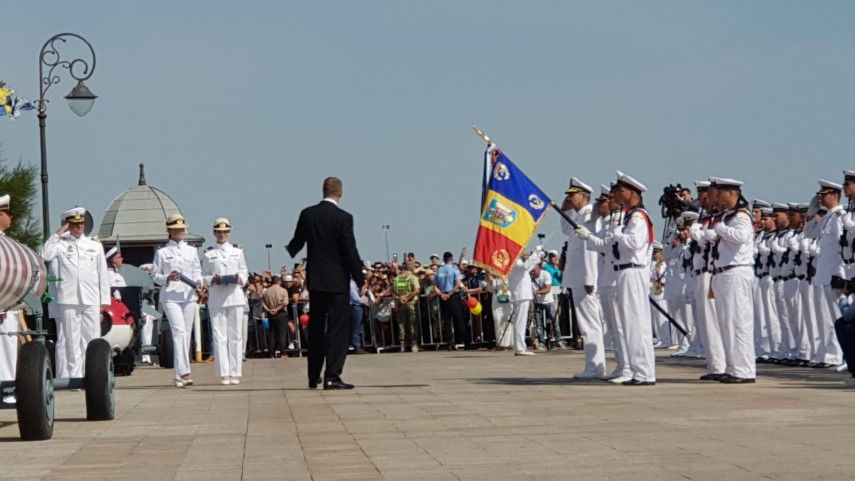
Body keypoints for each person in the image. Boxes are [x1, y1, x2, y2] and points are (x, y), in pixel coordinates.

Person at [287, 177, 365, 390]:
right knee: (338, 330)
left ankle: (313, 376)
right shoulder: (344, 218)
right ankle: (332, 375)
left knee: (316, 328)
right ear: (341, 193)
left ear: (323, 191)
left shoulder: (308, 214)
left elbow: (298, 240)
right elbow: (350, 250)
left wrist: (291, 249)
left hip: (317, 280)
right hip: (338, 281)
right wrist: (360, 279)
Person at [577, 171, 655, 386]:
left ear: (632, 193)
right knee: (626, 325)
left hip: (632, 271)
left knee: (635, 324)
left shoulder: (638, 216)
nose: (615, 195)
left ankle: (643, 372)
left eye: (619, 191)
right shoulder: (628, 217)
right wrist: (589, 236)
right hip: (622, 271)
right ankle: (634, 370)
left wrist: (617, 232)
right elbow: (605, 246)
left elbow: (633, 242)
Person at [41, 207, 110, 380]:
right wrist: (57, 234)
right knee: (70, 340)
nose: (79, 227)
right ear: (68, 225)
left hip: (91, 297)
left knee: (92, 338)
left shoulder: (94, 245)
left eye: (81, 224)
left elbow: (102, 273)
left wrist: (105, 298)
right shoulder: (61, 244)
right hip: (68, 297)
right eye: (75, 224)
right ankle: (73, 376)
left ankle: (92, 375)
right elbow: (46, 254)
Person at [706, 177, 757, 383]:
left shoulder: (742, 215)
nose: (717, 196)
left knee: (738, 322)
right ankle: (732, 367)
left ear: (731, 194)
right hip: (723, 273)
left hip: (737, 272)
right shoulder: (728, 216)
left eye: (721, 192)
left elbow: (742, 236)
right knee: (726, 323)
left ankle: (744, 370)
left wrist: (719, 230)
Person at [560, 177, 605, 378]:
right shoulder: (578, 216)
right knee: (586, 325)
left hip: (584, 279)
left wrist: (589, 278)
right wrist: (564, 209)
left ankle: (595, 367)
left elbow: (590, 250)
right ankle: (593, 366)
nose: (570, 198)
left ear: (584, 196)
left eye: (573, 195)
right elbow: (565, 230)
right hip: (577, 277)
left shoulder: (589, 216)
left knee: (590, 325)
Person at [151, 213, 202, 388]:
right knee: (178, 332)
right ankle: (184, 372)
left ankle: (179, 374)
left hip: (188, 295)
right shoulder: (162, 252)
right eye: (175, 230)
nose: (179, 232)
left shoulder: (192, 250)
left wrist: (199, 283)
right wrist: (167, 277)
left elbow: (197, 272)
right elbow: (155, 276)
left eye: (181, 229)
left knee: (186, 334)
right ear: (169, 231)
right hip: (171, 295)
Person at [202, 218, 248, 385]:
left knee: (235, 336)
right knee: (219, 336)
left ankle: (235, 372)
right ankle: (224, 373)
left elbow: (244, 271)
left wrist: (240, 279)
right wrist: (211, 279)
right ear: (214, 233)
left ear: (229, 233)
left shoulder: (238, 251)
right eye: (219, 232)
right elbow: (203, 276)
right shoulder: (208, 253)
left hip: (235, 296)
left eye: (225, 232)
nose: (222, 235)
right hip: (217, 297)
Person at [806, 180, 845, 368]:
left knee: (836, 317)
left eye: (824, 195)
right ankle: (827, 355)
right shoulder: (828, 217)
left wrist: (842, 276)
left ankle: (837, 356)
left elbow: (842, 247)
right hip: (823, 274)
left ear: (834, 196)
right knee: (824, 318)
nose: (820, 198)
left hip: (834, 274)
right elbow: (808, 233)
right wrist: (811, 213)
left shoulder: (839, 217)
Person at [0, 194, 19, 404]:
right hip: (2, 305)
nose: (11, 219)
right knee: (4, 349)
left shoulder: (5, 241)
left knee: (9, 347)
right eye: (8, 214)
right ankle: (5, 391)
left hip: (8, 305)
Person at [434, 251, 469, 350]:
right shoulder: (454, 269)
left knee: (447, 321)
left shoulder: (439, 271)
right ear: (451, 259)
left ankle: (449, 342)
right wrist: (449, 294)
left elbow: (435, 286)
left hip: (443, 297)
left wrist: (441, 294)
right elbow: (458, 284)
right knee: (459, 319)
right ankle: (465, 341)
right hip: (453, 295)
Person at [508, 252, 540, 356]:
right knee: (520, 323)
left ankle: (520, 347)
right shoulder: (515, 262)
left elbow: (529, 266)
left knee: (521, 322)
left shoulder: (519, 263)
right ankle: (520, 348)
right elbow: (525, 267)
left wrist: (538, 256)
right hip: (520, 295)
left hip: (523, 295)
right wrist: (535, 255)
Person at [391, 262, 421, 352]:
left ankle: (402, 345)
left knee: (401, 324)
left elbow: (392, 292)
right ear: (411, 268)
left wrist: (400, 298)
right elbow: (416, 290)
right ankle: (414, 344)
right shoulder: (413, 278)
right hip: (411, 303)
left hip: (400, 303)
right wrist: (407, 298)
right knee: (413, 323)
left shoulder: (397, 279)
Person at [261, 275, 292, 359]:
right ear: (279, 282)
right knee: (282, 334)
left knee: (271, 334)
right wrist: (277, 309)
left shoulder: (266, 291)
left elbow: (262, 302)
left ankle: (271, 354)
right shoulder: (283, 290)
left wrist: (269, 310)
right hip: (280, 313)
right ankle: (282, 353)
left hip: (270, 313)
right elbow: (285, 302)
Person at [349, 276, 368, 354]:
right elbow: (355, 297)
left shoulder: (355, 283)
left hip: (359, 306)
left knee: (359, 327)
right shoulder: (351, 283)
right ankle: (357, 347)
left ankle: (359, 345)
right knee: (357, 327)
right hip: (355, 306)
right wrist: (363, 301)